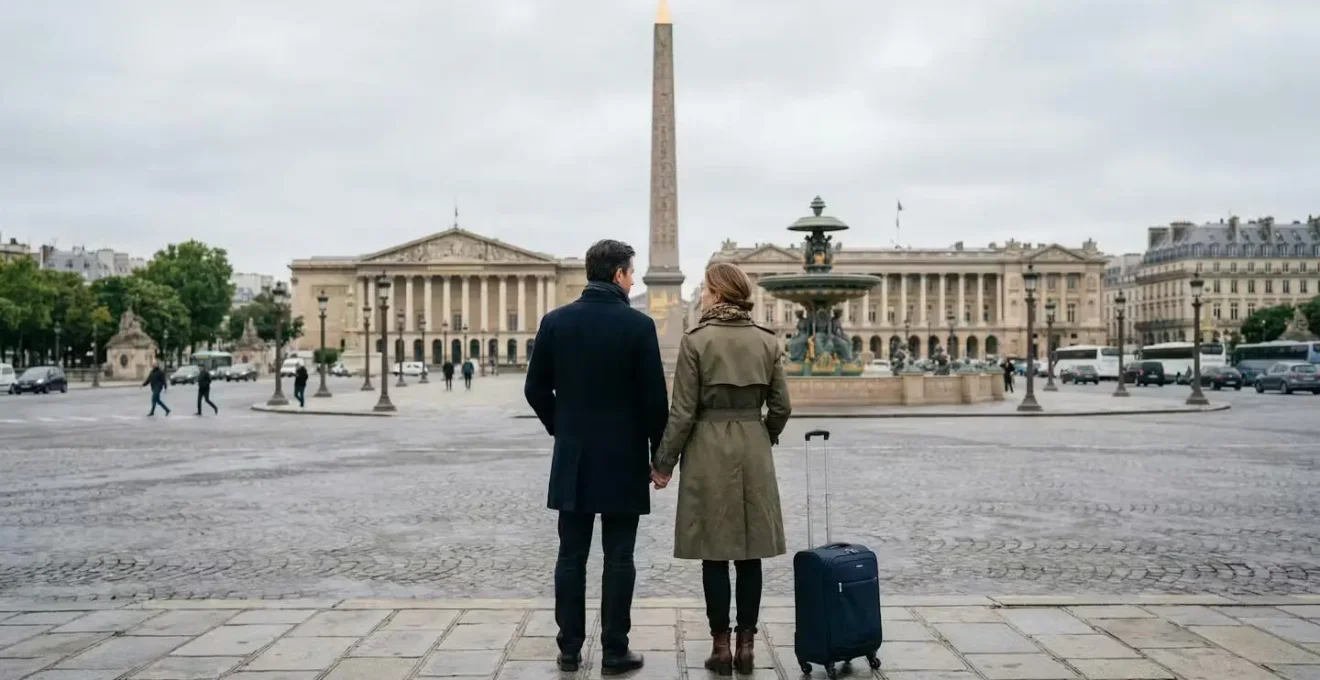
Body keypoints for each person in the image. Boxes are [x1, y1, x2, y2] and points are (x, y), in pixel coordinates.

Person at [524, 239, 668, 675]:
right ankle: (613, 650)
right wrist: (659, 458)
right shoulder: (638, 327)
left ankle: (569, 648)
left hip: (574, 457)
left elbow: (534, 390)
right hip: (623, 458)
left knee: (571, 556)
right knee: (619, 557)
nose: (632, 279)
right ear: (620, 276)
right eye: (631, 273)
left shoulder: (555, 322)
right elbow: (655, 403)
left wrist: (562, 429)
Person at [651, 262, 790, 676]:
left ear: (717, 293)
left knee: (714, 552)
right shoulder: (766, 341)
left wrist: (663, 464)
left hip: (708, 447)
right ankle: (748, 646)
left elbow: (682, 413)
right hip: (753, 446)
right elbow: (782, 406)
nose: (704, 295)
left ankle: (721, 646)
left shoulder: (696, 341)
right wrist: (764, 433)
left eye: (707, 290)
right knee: (750, 552)